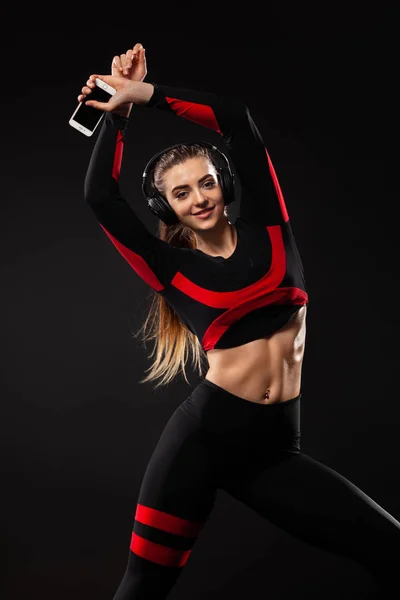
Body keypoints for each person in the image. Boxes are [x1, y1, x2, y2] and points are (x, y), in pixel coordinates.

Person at [78, 43, 400, 599]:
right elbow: (100, 196)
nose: (198, 198)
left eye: (205, 183)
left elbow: (236, 119)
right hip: (203, 440)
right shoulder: (169, 269)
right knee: (145, 586)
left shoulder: (271, 229)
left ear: (224, 185)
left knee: (392, 551)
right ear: (166, 210)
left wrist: (145, 93)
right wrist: (118, 113)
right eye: (180, 193)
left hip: (274, 452)